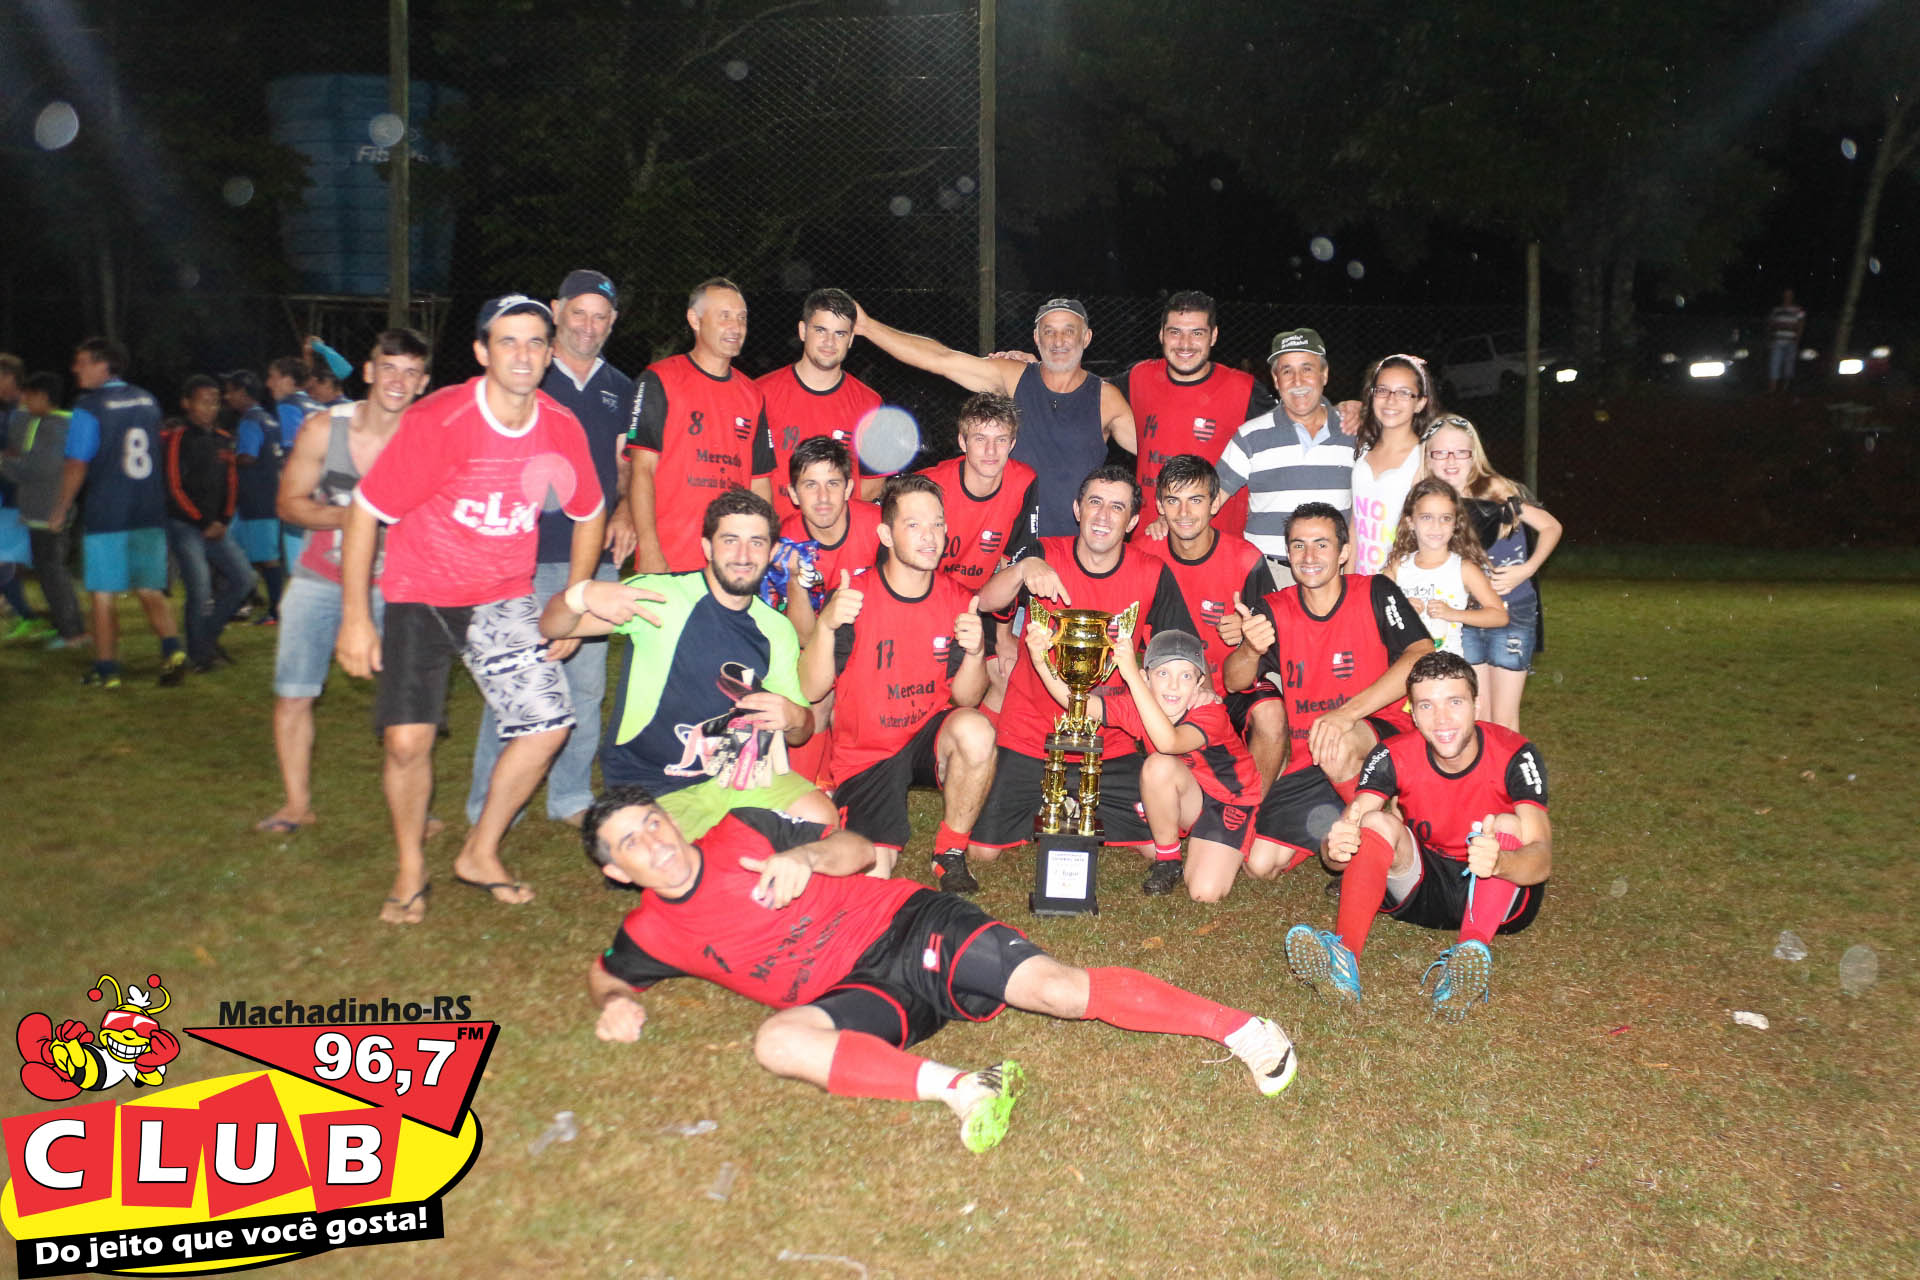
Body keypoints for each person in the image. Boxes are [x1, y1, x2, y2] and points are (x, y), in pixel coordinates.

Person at [583, 788, 1299, 1154]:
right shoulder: (650, 931)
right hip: (858, 993)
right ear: (618, 872)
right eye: (631, 843)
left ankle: (1244, 1029)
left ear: (670, 819)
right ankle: (965, 1089)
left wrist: (802, 858)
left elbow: (857, 849)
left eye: (653, 822)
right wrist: (614, 1000)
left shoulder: (741, 829)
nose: (654, 842)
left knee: (1056, 990)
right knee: (777, 1042)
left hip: (908, 923)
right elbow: (607, 972)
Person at [336, 295, 606, 924]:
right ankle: (410, 867)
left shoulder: (560, 425)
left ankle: (480, 853)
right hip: (422, 591)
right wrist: (355, 617)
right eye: (508, 341)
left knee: (548, 725)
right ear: (483, 352)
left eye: (535, 342)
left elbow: (589, 512)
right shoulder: (442, 419)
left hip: (501, 594)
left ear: (550, 353)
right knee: (408, 742)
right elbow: (366, 511)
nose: (523, 355)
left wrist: (573, 598)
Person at [541, 486, 837, 842]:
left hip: (735, 774)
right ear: (707, 547)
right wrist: (580, 595)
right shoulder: (661, 597)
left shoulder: (776, 629)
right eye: (730, 540)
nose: (743, 555)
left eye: (756, 542)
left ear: (772, 552)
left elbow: (802, 731)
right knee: (687, 860)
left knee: (821, 820)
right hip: (652, 783)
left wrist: (794, 717)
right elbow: (552, 626)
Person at [1283, 651, 1551, 1021]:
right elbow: (1343, 841)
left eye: (1454, 702)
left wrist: (1501, 861)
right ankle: (1344, 959)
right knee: (1373, 821)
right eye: (1426, 705)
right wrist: (1335, 849)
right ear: (1412, 713)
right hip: (1425, 889)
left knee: (1508, 824)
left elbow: (1541, 859)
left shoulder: (1515, 753)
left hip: (1500, 896)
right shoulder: (1392, 754)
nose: (1441, 719)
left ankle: (1466, 961)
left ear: (1477, 706)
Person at [465, 269, 640, 831]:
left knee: (586, 685)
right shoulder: (528, 374)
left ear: (612, 322)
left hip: (595, 556)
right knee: (515, 682)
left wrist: (625, 510)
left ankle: (569, 796)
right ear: (556, 311)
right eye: (578, 312)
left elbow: (626, 467)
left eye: (601, 316)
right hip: (525, 555)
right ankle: (490, 804)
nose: (589, 325)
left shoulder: (621, 387)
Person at [964, 465, 1197, 882]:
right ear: (1077, 509)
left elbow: (1181, 650)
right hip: (1033, 734)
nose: (1103, 515)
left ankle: (1067, 804)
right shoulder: (1042, 554)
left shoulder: (1151, 572)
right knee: (982, 851)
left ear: (1133, 521)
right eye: (1095, 502)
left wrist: (1201, 694)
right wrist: (1022, 569)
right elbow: (984, 601)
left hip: (1111, 741)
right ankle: (1052, 804)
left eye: (1117, 507)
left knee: (1151, 844)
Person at [257, 329, 432, 835]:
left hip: (397, 585)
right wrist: (357, 517)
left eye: (411, 372)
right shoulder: (323, 429)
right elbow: (288, 503)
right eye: (389, 368)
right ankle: (296, 805)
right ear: (370, 371)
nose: (398, 380)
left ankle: (415, 808)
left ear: (423, 383)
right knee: (294, 693)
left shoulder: (429, 437)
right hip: (319, 578)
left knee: (408, 708)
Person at [800, 473, 996, 892]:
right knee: (873, 874)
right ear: (886, 535)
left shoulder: (958, 599)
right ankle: (842, 806)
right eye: (914, 524)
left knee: (976, 731)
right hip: (868, 753)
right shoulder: (855, 597)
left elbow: (966, 698)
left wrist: (976, 651)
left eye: (937, 524)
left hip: (925, 735)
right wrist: (826, 626)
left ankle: (950, 851)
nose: (930, 536)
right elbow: (812, 690)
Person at [1225, 503, 1433, 879]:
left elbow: (1421, 653)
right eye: (1298, 545)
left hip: (1377, 736)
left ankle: (1379, 845)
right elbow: (1233, 681)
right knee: (1258, 864)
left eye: (1321, 544)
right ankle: (1343, 824)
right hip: (1312, 754)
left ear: (1343, 552)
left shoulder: (1375, 591)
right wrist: (1250, 649)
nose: (1309, 556)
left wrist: (1346, 714)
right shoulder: (1274, 608)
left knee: (1338, 742)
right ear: (1288, 553)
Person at [853, 296, 1134, 537]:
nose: (1058, 340)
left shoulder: (1106, 399)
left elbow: (1151, 451)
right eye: (1049, 331)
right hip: (1008, 544)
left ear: (1086, 337)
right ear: (1037, 338)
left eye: (1069, 331)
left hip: (1079, 547)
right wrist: (867, 326)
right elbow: (940, 358)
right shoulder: (1012, 376)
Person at [1027, 625, 1261, 902]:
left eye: (1186, 676)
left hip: (1229, 800)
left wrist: (1131, 678)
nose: (1173, 685)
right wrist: (1041, 662)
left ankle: (1246, 838)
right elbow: (1083, 705)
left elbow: (1169, 743)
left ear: (1199, 684)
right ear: (1146, 678)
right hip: (1189, 795)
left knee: (1205, 892)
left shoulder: (1209, 711)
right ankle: (1168, 859)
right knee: (1157, 767)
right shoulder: (1138, 704)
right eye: (1163, 673)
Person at [1134, 454, 1285, 784]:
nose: (1184, 513)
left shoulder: (1246, 559)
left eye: (1196, 500)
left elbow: (1275, 639)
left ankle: (1253, 809)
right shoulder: (1142, 552)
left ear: (1215, 503)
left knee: (1271, 714)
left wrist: (1247, 633)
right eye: (1173, 501)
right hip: (1168, 687)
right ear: (1159, 506)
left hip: (1231, 686)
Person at [46, 337, 186, 688]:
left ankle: (106, 670)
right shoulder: (148, 400)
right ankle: (173, 651)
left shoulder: (89, 407)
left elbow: (77, 463)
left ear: (103, 364)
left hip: (109, 511)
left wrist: (61, 507)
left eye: (81, 362)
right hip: (148, 509)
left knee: (103, 593)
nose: (75, 369)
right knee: (150, 587)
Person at [624, 277, 776, 573]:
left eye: (742, 318)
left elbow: (759, 483)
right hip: (670, 559)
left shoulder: (753, 394)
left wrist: (762, 546)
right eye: (725, 316)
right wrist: (650, 549)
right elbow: (641, 470)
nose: (736, 327)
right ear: (695, 320)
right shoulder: (659, 379)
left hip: (732, 565)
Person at [1421, 415, 1562, 730]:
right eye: (1440, 453)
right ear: (1427, 457)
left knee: (1504, 717)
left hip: (1512, 610)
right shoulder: (1429, 502)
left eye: (1461, 452)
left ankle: (1508, 764)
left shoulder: (1496, 491)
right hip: (1466, 615)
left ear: (1475, 454)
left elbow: (1551, 527)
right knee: (1477, 711)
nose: (1451, 461)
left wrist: (1527, 569)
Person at [1115, 291, 1273, 537]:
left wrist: (1333, 410)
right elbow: (1086, 393)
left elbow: (1291, 426)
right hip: (1151, 538)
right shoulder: (1139, 377)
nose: (1185, 344)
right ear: (1161, 334)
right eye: (1175, 332)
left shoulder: (1243, 389)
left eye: (1197, 333)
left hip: (1218, 542)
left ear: (1214, 336)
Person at [1214, 329, 1357, 563]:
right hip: (1269, 572)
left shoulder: (1355, 431)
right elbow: (1210, 498)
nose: (1297, 381)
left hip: (1333, 573)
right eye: (1287, 371)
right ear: (1275, 379)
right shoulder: (1250, 436)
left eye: (1307, 369)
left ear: (1324, 374)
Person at [759, 288, 888, 524]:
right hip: (775, 534)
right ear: (802, 331)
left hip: (839, 537)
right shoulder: (760, 394)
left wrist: (832, 528)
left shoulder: (870, 404)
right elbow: (750, 475)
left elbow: (871, 485)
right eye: (820, 330)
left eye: (840, 333)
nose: (830, 342)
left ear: (851, 339)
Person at [160, 375, 254, 674]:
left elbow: (231, 483)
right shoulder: (178, 438)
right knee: (199, 589)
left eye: (214, 402)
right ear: (187, 403)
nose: (210, 408)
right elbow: (174, 485)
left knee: (244, 580)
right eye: (203, 402)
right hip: (185, 525)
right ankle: (200, 655)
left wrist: (223, 519)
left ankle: (205, 639)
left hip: (216, 526)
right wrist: (202, 521)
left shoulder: (223, 439)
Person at [2, 372, 86, 647]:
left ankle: (72, 633)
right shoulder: (42, 421)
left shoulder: (57, 425)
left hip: (50, 513)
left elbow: (38, 467)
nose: (24, 403)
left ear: (42, 396)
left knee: (53, 574)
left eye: (28, 397)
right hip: (41, 511)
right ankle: (68, 627)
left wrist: (5, 463)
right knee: (51, 572)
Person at [776, 435, 883, 644]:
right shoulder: (784, 543)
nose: (823, 497)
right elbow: (803, 640)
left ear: (848, 489)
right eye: (810, 485)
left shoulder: (880, 527)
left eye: (832, 483)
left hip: (871, 639)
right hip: (817, 646)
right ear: (794, 494)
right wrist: (794, 580)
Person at [1386, 477, 1507, 657]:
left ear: (1455, 524)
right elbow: (1374, 613)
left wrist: (1453, 614)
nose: (1436, 526)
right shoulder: (1398, 567)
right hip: (1403, 664)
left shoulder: (1464, 569)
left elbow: (1499, 616)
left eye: (1445, 518)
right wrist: (1402, 609)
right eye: (1427, 517)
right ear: (1410, 522)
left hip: (1447, 666)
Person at [1348, 354, 1436, 576]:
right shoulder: (1363, 450)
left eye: (1404, 393)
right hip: (1362, 579)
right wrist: (1349, 581)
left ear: (1420, 403)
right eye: (1382, 390)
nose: (1390, 400)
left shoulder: (1424, 459)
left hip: (1402, 582)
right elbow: (1356, 523)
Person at [1766, 289, 1806, 393]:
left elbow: (1801, 324)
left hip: (1791, 341)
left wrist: (1798, 339)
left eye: (1790, 295)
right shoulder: (1776, 310)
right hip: (1778, 341)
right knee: (1774, 363)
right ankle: (1772, 389)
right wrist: (1770, 338)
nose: (1787, 296)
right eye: (1786, 294)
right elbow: (1771, 324)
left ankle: (1786, 388)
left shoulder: (1798, 310)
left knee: (1789, 364)